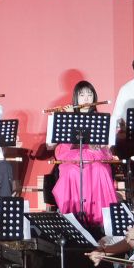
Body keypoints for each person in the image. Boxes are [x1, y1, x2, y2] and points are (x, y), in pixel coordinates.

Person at [50, 81, 117, 226]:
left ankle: (100, 219)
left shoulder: (101, 118)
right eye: (82, 95)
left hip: (95, 156)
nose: (86, 98)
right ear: (76, 98)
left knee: (99, 170)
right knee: (71, 172)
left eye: (89, 94)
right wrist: (69, 118)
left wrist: (96, 144)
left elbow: (104, 145)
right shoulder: (66, 116)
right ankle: (72, 217)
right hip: (72, 156)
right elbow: (59, 144)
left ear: (94, 97)